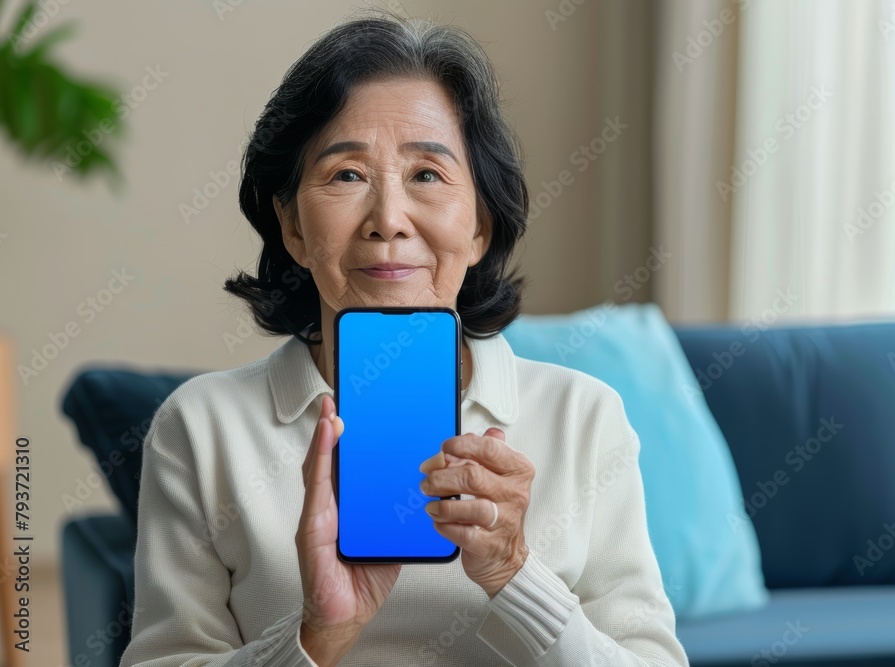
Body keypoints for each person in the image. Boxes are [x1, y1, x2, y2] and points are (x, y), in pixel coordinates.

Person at [119, 11, 689, 667]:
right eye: (347, 174)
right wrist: (317, 633)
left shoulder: (583, 417)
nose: (388, 220)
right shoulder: (200, 427)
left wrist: (514, 572)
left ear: (480, 226)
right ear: (293, 227)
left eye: (427, 174)